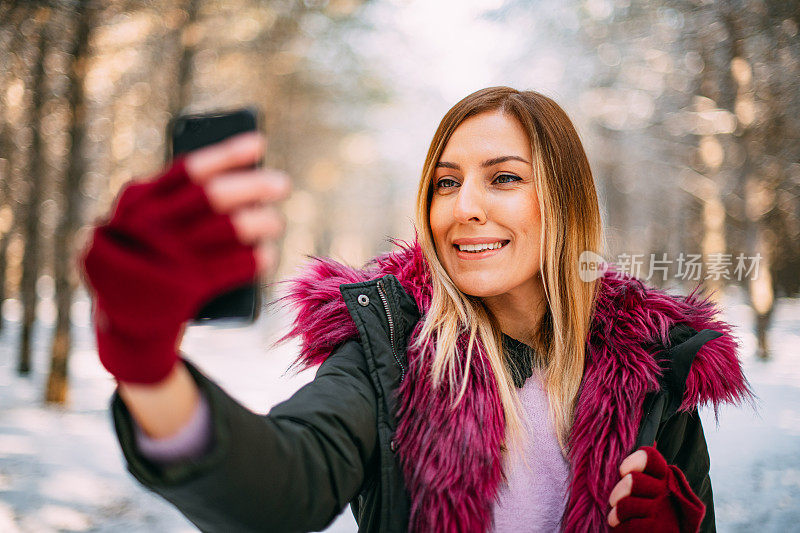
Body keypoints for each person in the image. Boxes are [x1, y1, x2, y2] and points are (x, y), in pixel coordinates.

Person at [79, 87, 756, 533]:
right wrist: (145, 364)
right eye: (446, 182)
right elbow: (283, 486)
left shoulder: (654, 365)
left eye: (505, 177)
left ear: (566, 202)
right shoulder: (392, 344)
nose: (464, 207)